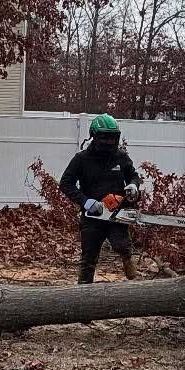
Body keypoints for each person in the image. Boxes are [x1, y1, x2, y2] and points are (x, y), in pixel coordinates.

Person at [59, 114, 141, 284]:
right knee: (88, 258)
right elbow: (66, 183)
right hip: (92, 215)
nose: (109, 142)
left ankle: (128, 262)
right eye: (105, 137)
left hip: (117, 213)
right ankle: (83, 291)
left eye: (112, 138)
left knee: (121, 245)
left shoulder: (121, 157)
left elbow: (133, 175)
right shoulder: (81, 159)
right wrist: (86, 202)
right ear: (95, 136)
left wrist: (133, 186)